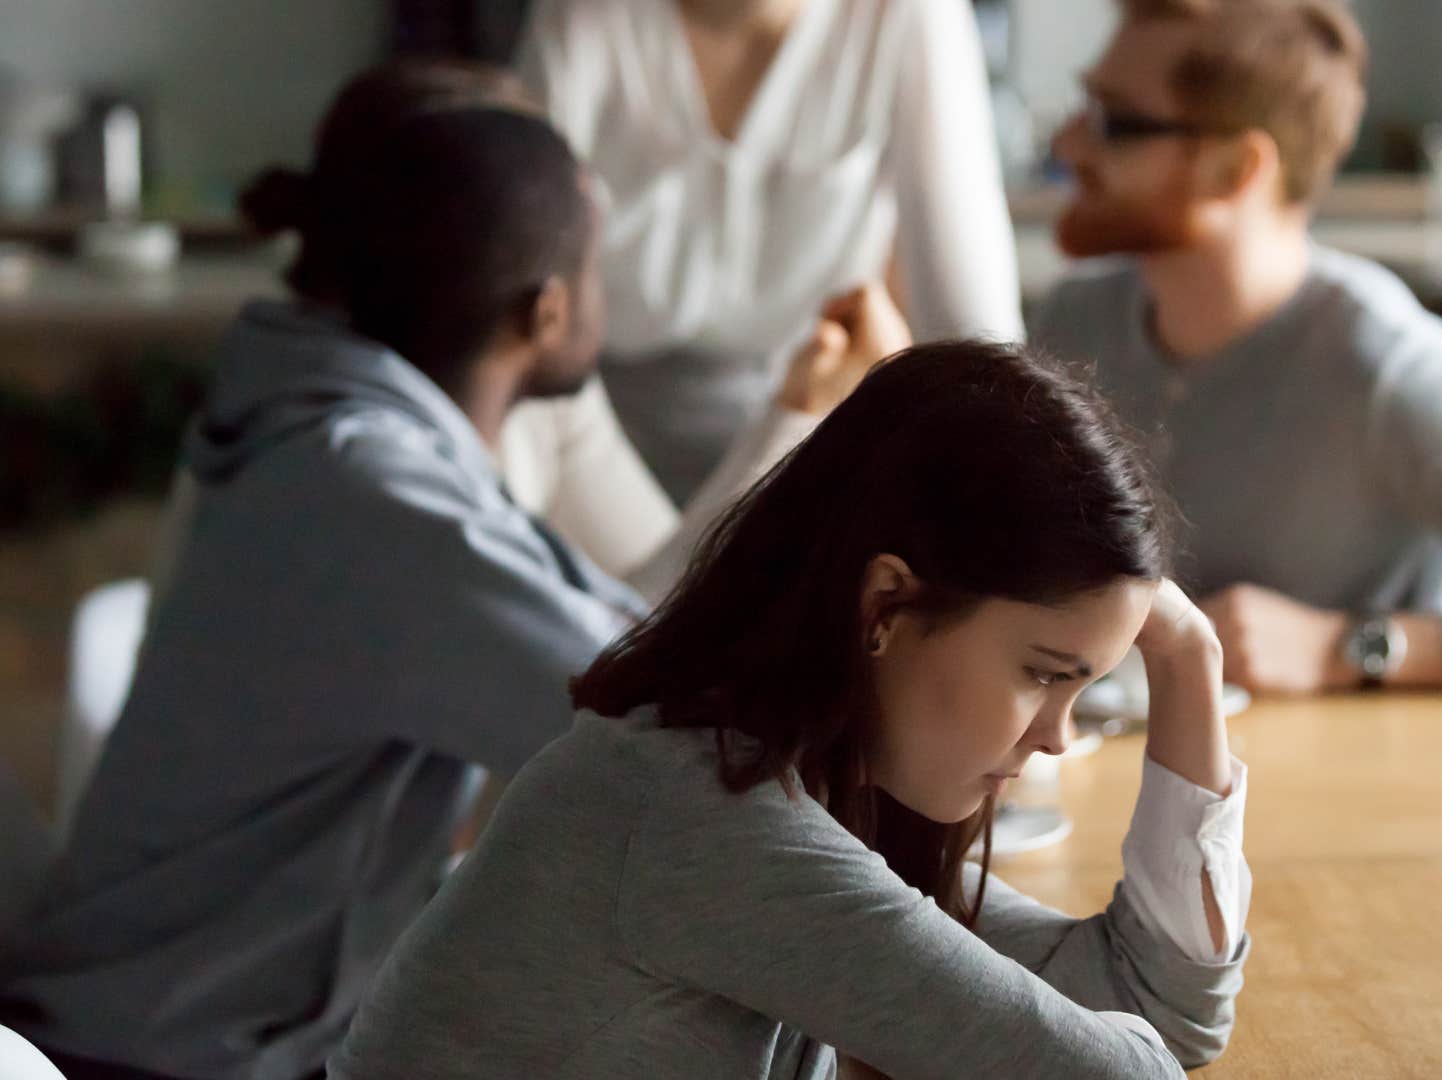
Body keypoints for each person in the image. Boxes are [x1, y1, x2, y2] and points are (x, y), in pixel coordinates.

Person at [331, 342, 1251, 1079]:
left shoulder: (801, 787)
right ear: (885, 607)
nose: (1057, 737)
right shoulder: (706, 823)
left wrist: (1188, 657)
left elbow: (1159, 1007)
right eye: (1044, 674)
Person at [2, 107, 692, 1080]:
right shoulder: (372, 496)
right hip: (169, 1059)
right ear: (543, 312)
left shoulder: (356, 445)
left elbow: (628, 649)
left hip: (184, 1031)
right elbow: (651, 717)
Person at [1031, 0, 1442, 695]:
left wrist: (1343, 648)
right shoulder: (1073, 324)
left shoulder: (1387, 368)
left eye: (1114, 122)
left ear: (1235, 169)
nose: (1068, 145)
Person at [147, 60, 884, 612]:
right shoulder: (357, 471)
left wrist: (797, 411)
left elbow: (654, 616)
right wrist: (798, 424)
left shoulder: (529, 379)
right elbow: (607, 680)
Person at [517, 0, 1025, 500]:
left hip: (812, 431)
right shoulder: (582, 16)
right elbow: (521, 298)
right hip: (585, 426)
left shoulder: (911, 14)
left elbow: (979, 351)